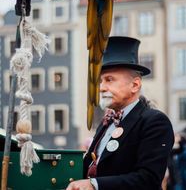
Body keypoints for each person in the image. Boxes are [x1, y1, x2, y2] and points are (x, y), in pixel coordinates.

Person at [66, 36, 174, 190]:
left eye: (109, 80)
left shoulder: (154, 121)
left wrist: (94, 185)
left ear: (135, 85)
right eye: (101, 81)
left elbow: (148, 179)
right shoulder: (107, 123)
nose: (101, 88)